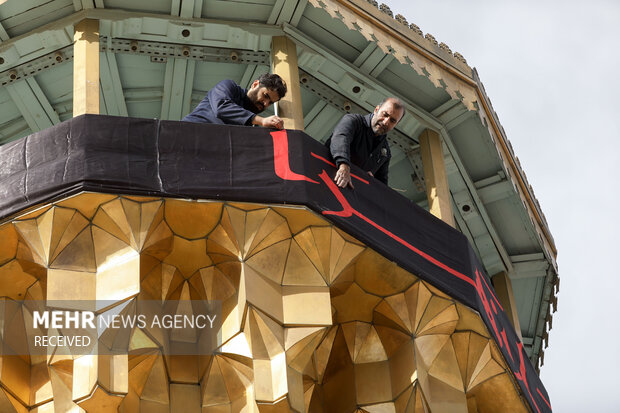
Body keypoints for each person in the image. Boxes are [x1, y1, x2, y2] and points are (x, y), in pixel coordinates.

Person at [326, 97, 405, 188]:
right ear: (376, 110)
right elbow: (340, 139)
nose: (386, 122)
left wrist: (372, 182)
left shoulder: (385, 152)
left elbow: (381, 186)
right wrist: (344, 166)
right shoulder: (353, 121)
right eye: (385, 114)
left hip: (345, 196)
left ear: (396, 124)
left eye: (392, 121)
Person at [183, 73, 287, 129]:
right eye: (265, 96)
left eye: (270, 103)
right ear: (255, 85)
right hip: (185, 134)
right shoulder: (229, 86)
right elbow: (221, 107)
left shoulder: (250, 125)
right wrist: (262, 120)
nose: (265, 104)